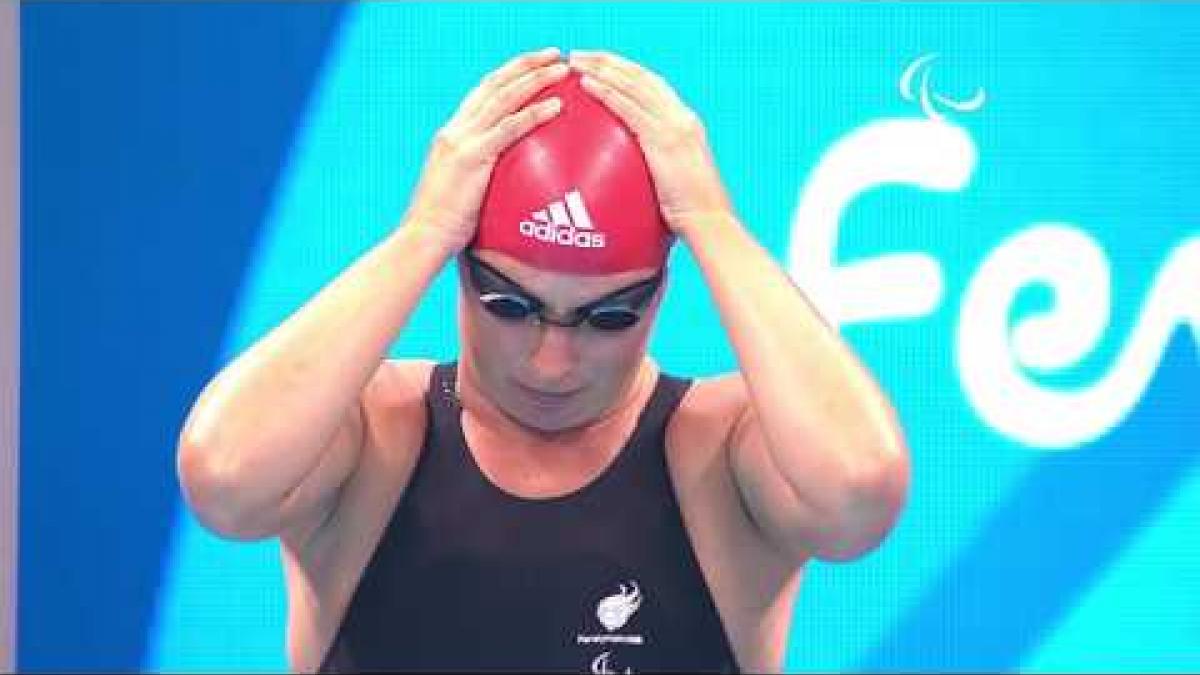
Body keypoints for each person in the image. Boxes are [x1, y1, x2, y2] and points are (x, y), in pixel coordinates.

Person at [176, 47, 910, 674]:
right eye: (510, 303)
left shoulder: (714, 460)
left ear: (659, 295)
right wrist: (422, 232)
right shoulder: (378, 438)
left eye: (608, 316)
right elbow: (225, 478)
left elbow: (857, 492)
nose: (552, 360)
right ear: (460, 270)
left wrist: (713, 224)